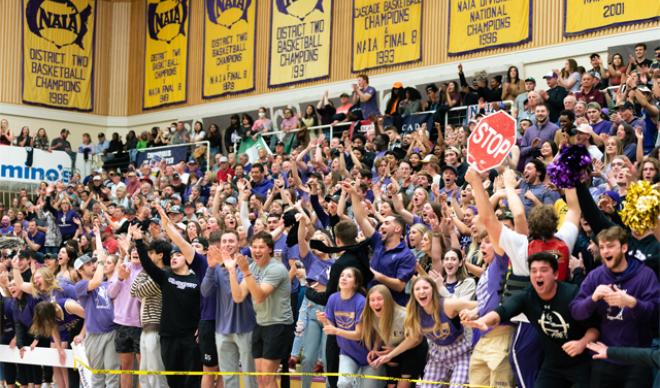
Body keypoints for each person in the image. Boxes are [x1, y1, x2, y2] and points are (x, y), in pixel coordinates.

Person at [464, 252, 600, 388]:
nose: (538, 275)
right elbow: (504, 311)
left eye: (544, 270)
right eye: (533, 271)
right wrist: (484, 321)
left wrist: (581, 343)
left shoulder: (571, 294)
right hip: (552, 365)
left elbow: (594, 328)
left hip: (581, 364)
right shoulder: (528, 296)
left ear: (556, 274)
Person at [570, 226, 659, 388]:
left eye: (610, 246)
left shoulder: (645, 275)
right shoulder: (596, 276)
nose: (605, 251)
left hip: (636, 359)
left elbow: (654, 314)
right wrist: (593, 298)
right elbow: (576, 311)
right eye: (602, 247)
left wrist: (632, 303)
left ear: (624, 248)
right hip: (604, 355)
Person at [373, 276, 477, 388]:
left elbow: (480, 304)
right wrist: (389, 355)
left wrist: (473, 312)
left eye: (425, 288)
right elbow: (413, 339)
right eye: (417, 289)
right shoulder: (415, 313)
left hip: (460, 353)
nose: (422, 291)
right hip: (438, 356)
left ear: (433, 290)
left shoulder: (447, 305)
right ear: (413, 294)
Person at [134, 223, 204, 388]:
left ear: (187, 258)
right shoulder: (165, 277)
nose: (173, 257)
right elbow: (148, 265)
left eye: (178, 255)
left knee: (192, 381)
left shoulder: (198, 280)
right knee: (173, 381)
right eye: (172, 255)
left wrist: (202, 326)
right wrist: (138, 242)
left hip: (190, 338)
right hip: (168, 338)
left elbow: (204, 306)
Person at [228, 231, 293, 388]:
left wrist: (245, 272)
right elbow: (238, 297)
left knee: (267, 377)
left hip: (279, 324)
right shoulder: (252, 267)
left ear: (270, 249)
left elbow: (259, 296)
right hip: (260, 323)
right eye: (254, 247)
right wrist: (231, 270)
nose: (257, 251)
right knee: (260, 378)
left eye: (261, 247)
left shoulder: (276, 269)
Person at [202, 231, 258, 388]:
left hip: (245, 328)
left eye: (231, 241)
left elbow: (237, 295)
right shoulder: (217, 267)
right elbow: (205, 292)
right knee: (228, 379)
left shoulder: (248, 265)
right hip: (222, 329)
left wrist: (228, 268)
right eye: (224, 241)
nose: (227, 244)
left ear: (239, 243)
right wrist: (211, 268)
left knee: (249, 378)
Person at [348, 181, 417, 306]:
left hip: (393, 307)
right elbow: (361, 219)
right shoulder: (379, 241)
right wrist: (353, 194)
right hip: (372, 302)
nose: (381, 227)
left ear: (397, 229)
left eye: (386, 223)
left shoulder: (406, 255)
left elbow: (400, 285)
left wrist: (376, 276)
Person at [317, 268, 384, 388]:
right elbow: (330, 330)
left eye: (348, 276)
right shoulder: (333, 298)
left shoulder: (361, 302)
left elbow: (359, 334)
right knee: (343, 384)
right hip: (347, 353)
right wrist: (324, 321)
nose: (343, 278)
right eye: (342, 275)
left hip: (370, 354)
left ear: (356, 283)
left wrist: (335, 330)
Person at [74, 231, 120, 388]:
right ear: (80, 270)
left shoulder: (107, 282)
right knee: (98, 376)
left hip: (112, 331)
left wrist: (99, 235)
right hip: (94, 335)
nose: (92, 265)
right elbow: (95, 281)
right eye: (88, 264)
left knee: (113, 374)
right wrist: (101, 262)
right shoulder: (80, 286)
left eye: (93, 263)